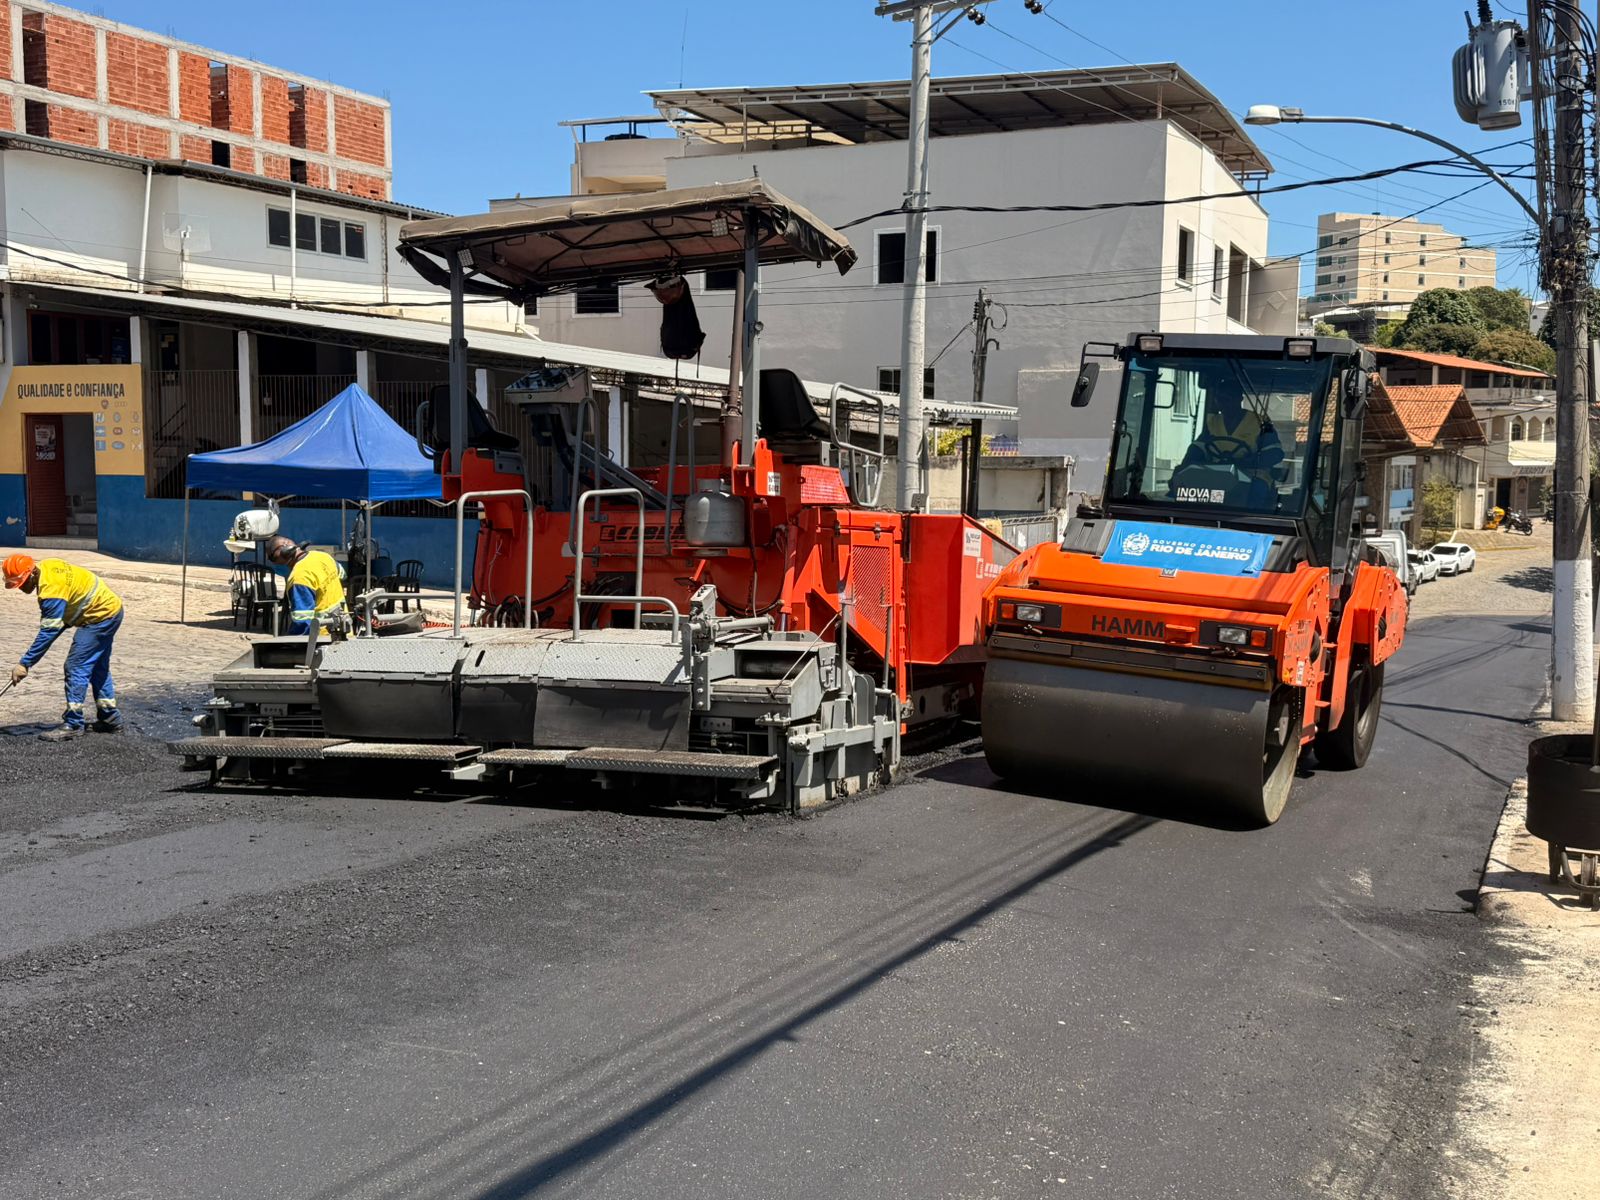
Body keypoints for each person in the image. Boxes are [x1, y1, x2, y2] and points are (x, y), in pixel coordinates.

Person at [4, 553, 124, 741]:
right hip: (110, 610)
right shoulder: (47, 566)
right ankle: (111, 719)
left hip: (99, 617)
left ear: (32, 573)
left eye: (22, 583)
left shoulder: (51, 590)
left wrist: (25, 663)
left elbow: (48, 631)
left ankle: (73, 723)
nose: (20, 588)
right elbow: (59, 619)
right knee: (98, 667)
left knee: (75, 666)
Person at [1177, 376, 1286, 492]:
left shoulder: (1263, 422)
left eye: (1228, 398)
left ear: (1239, 399)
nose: (1223, 403)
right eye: (1219, 399)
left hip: (1252, 475)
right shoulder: (1213, 422)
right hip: (1217, 473)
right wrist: (1183, 467)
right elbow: (1197, 448)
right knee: (1183, 487)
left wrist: (1246, 461)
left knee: (1256, 490)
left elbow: (1275, 453)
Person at [265, 536, 348, 637]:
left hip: (322, 637)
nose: (274, 563)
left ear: (284, 551)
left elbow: (302, 622)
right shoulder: (322, 556)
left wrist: (293, 642)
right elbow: (343, 575)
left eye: (273, 558)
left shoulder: (299, 578)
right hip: (344, 628)